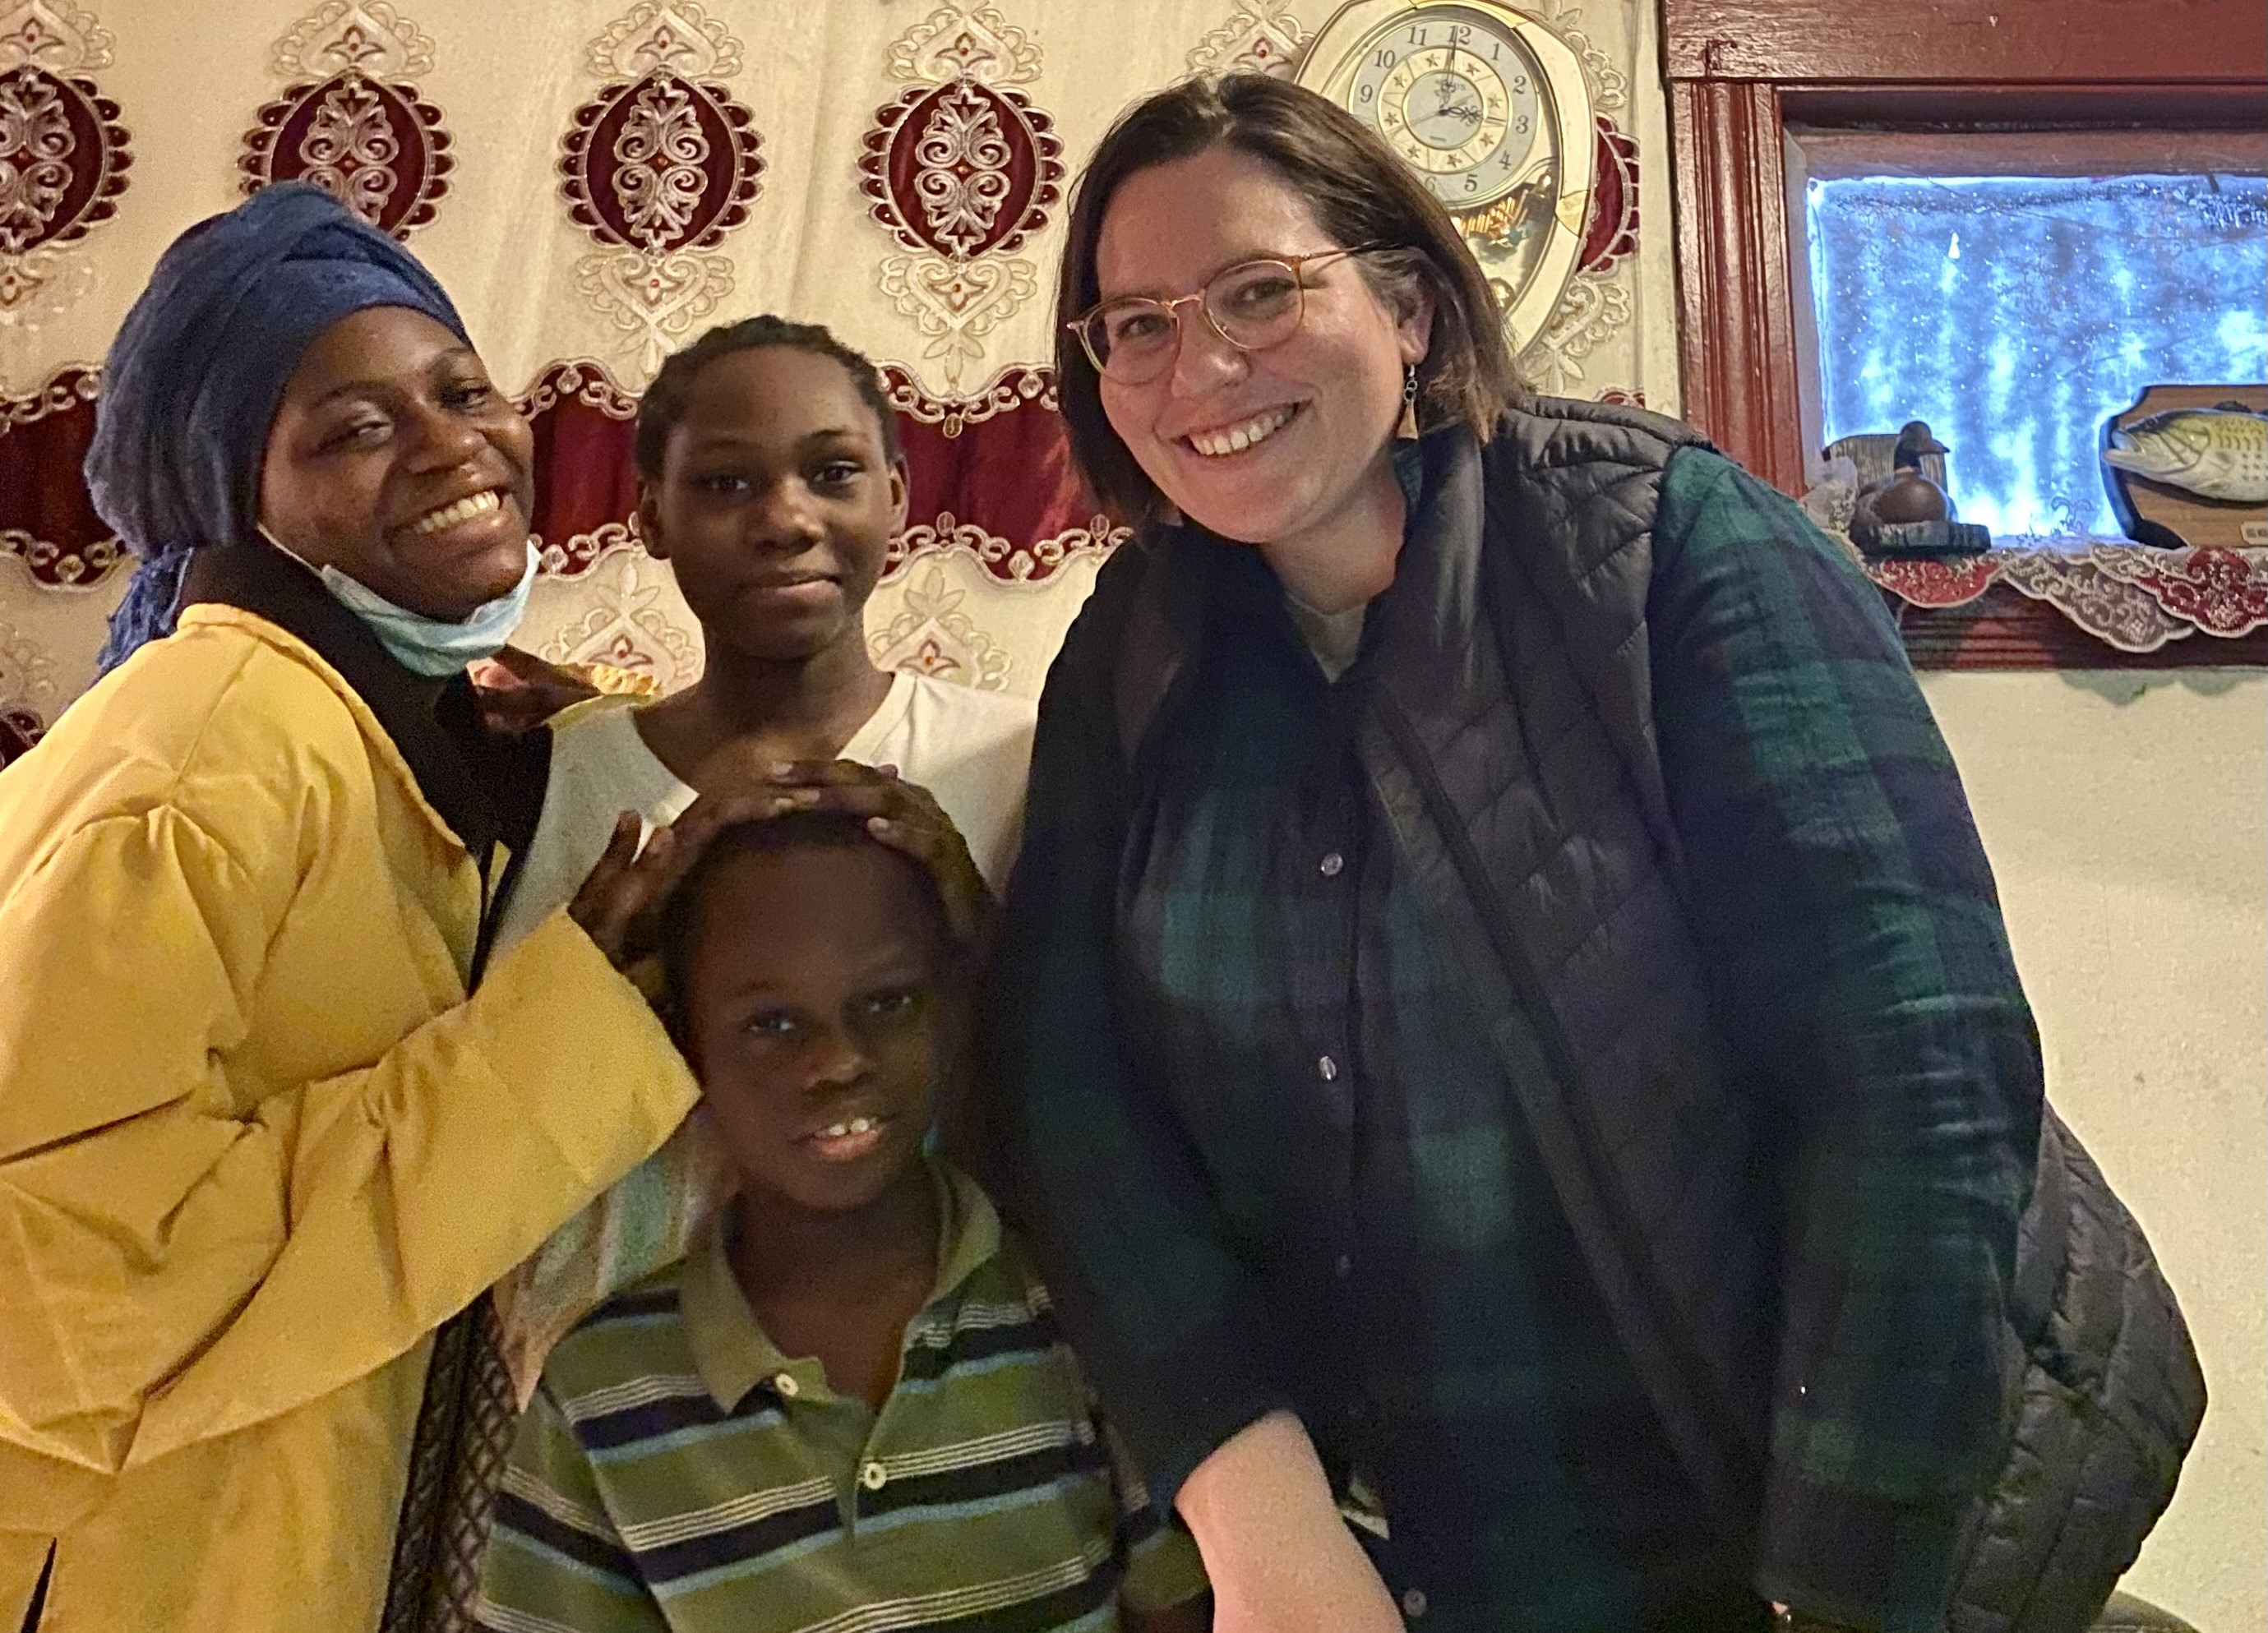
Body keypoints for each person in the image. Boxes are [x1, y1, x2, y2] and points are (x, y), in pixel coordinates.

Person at [985, 75, 2201, 1633]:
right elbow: (1064, 1085)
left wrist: (1832, 1588)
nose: (1198, 364)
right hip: (1359, 1565)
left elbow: (1912, 1075)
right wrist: (1259, 1515)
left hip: (1765, 1547)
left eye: (1257, 291)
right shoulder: (1128, 656)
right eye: (1133, 322)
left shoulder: (1666, 548)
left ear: (1409, 307)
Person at [0, 185, 769, 1633]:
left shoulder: (405, 723)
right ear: (244, 499)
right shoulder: (204, 748)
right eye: (352, 431)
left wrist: (593, 746)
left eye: (459, 389)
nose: (450, 448)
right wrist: (564, 1037)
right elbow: (56, 1288)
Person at [476, 810, 1210, 1633]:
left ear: (952, 1009)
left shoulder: (1076, 1312)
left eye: (887, 1002)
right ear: (688, 1047)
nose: (837, 1060)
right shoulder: (601, 1394)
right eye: (771, 1024)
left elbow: (1176, 1607)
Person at [487, 316, 1037, 1392]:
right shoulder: (554, 779)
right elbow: (486, 1139)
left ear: (897, 493)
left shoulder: (1014, 760)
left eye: (831, 472)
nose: (785, 518)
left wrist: (970, 931)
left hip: (945, 1407)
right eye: (727, 484)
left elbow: (1072, 1099)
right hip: (613, 1419)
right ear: (650, 515)